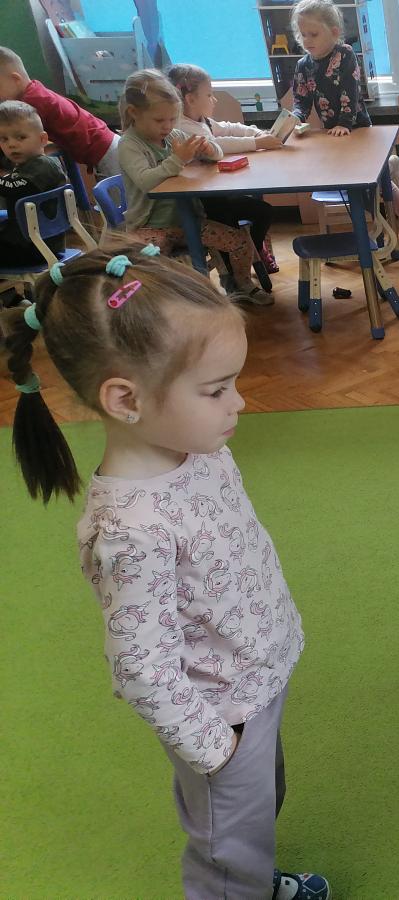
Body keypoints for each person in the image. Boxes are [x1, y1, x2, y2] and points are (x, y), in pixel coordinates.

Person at [0, 243, 329, 900]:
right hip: (220, 719)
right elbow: (141, 667)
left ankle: (255, 879)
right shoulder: (130, 532)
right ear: (126, 399)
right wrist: (215, 750)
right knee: (228, 848)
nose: (238, 403)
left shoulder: (197, 449)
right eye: (215, 390)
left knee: (259, 812)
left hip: (255, 679)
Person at [117, 69, 272, 305]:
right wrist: (177, 160)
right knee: (146, 262)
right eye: (159, 120)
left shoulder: (172, 135)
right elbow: (147, 182)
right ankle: (162, 305)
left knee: (241, 241)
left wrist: (210, 150)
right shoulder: (129, 144)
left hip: (188, 222)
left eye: (172, 119)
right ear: (134, 113)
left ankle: (242, 286)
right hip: (149, 227)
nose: (167, 126)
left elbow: (216, 151)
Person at [290, 0, 399, 249]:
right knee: (355, 186)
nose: (307, 40)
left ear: (334, 32)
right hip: (334, 137)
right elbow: (301, 99)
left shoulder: (345, 55)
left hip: (359, 130)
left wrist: (344, 123)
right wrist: (296, 118)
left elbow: (350, 93)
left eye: (313, 34)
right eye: (302, 34)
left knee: (379, 184)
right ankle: (370, 227)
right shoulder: (303, 66)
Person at [166, 63, 279, 277]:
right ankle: (236, 273)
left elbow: (227, 127)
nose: (214, 100)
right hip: (202, 203)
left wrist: (255, 132)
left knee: (263, 211)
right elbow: (218, 144)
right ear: (190, 99)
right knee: (230, 222)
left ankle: (251, 253)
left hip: (217, 193)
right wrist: (257, 143)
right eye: (209, 95)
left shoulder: (201, 121)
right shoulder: (182, 127)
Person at [0, 45, 120, 176]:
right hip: (105, 142)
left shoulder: (31, 102)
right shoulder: (35, 90)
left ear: (16, 79)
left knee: (121, 188)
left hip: (104, 149)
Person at [0, 100, 67, 266]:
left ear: (42, 139)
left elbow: (12, 187)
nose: (11, 144)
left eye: (21, 137)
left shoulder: (43, 167)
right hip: (37, 241)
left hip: (33, 247)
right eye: (4, 139)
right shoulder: (30, 163)